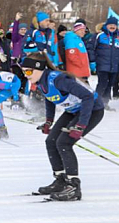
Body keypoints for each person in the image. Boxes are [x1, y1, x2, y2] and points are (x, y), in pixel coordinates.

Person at [21, 52, 104, 201]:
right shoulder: (41, 81)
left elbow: (88, 96)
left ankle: (74, 186)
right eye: (23, 71)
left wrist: (81, 125)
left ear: (39, 68)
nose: (26, 75)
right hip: (73, 110)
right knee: (51, 141)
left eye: (28, 71)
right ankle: (61, 180)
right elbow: (49, 98)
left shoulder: (59, 79)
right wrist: (49, 121)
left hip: (92, 110)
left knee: (64, 142)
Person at [92, 16, 119, 108]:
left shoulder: (118, 37)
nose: (112, 26)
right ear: (106, 25)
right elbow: (92, 49)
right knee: (103, 83)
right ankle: (96, 102)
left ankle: (104, 103)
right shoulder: (100, 36)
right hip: (102, 65)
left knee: (109, 85)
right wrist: (92, 61)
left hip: (114, 66)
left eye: (114, 25)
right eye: (110, 25)